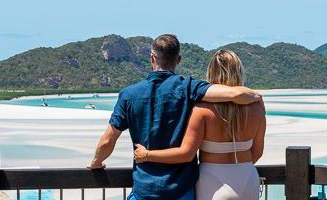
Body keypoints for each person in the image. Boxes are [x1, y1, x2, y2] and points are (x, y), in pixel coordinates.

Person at [87, 34, 262, 200]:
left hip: (145, 190)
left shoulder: (128, 95)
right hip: (182, 190)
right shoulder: (189, 88)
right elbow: (233, 93)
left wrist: (96, 162)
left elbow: (107, 141)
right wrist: (257, 98)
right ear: (178, 60)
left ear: (152, 58)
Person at [133, 50, 266, 200]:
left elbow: (186, 153)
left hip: (213, 181)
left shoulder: (202, 110)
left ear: (211, 73)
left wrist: (147, 155)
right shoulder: (257, 108)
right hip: (247, 178)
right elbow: (257, 152)